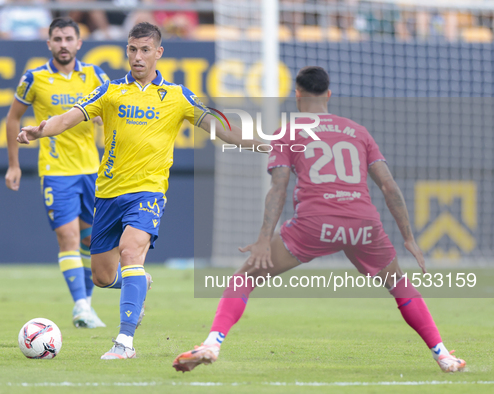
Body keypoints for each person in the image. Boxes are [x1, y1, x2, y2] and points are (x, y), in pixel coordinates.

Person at [172, 66, 466, 373]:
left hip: (315, 224)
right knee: (399, 285)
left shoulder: (289, 132)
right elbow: (389, 186)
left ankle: (212, 344)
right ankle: (443, 354)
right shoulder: (358, 131)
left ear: (297, 94)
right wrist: (408, 237)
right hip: (362, 223)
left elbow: (279, 188)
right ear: (328, 94)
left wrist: (262, 239)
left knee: (244, 278)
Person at [16, 22, 261, 359]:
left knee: (132, 253)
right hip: (108, 195)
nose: (138, 56)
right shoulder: (111, 91)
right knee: (102, 276)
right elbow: (69, 118)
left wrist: (267, 145)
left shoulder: (177, 96)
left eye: (145, 50)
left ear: (158, 53)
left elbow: (222, 131)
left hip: (148, 193)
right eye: (132, 49)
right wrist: (39, 131)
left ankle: (124, 343)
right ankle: (139, 284)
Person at [5, 17, 110, 329]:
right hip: (56, 171)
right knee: (68, 237)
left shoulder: (94, 75)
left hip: (92, 170)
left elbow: (112, 111)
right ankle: (80, 306)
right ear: (48, 43)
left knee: (91, 242)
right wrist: (14, 163)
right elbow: (13, 118)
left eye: (69, 39)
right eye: (58, 39)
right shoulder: (34, 78)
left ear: (79, 43)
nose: (63, 45)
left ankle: (86, 306)